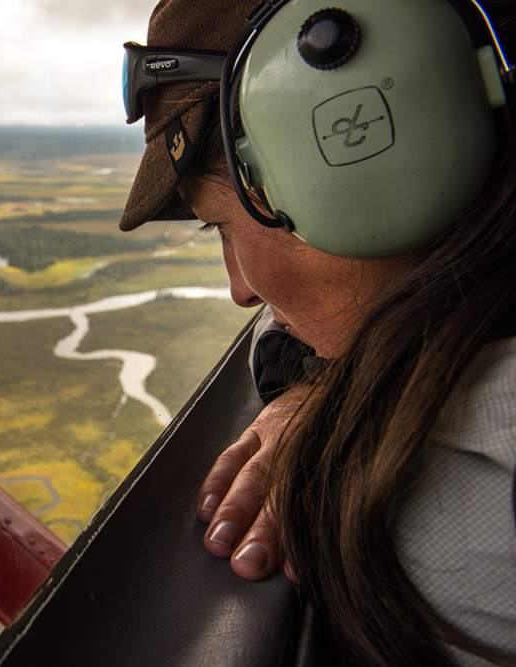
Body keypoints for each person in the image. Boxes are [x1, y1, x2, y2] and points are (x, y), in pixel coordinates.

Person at [121, 0, 516, 664]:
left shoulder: (448, 507)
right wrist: (322, 382)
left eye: (222, 222)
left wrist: (339, 410)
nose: (240, 289)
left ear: (348, 145)